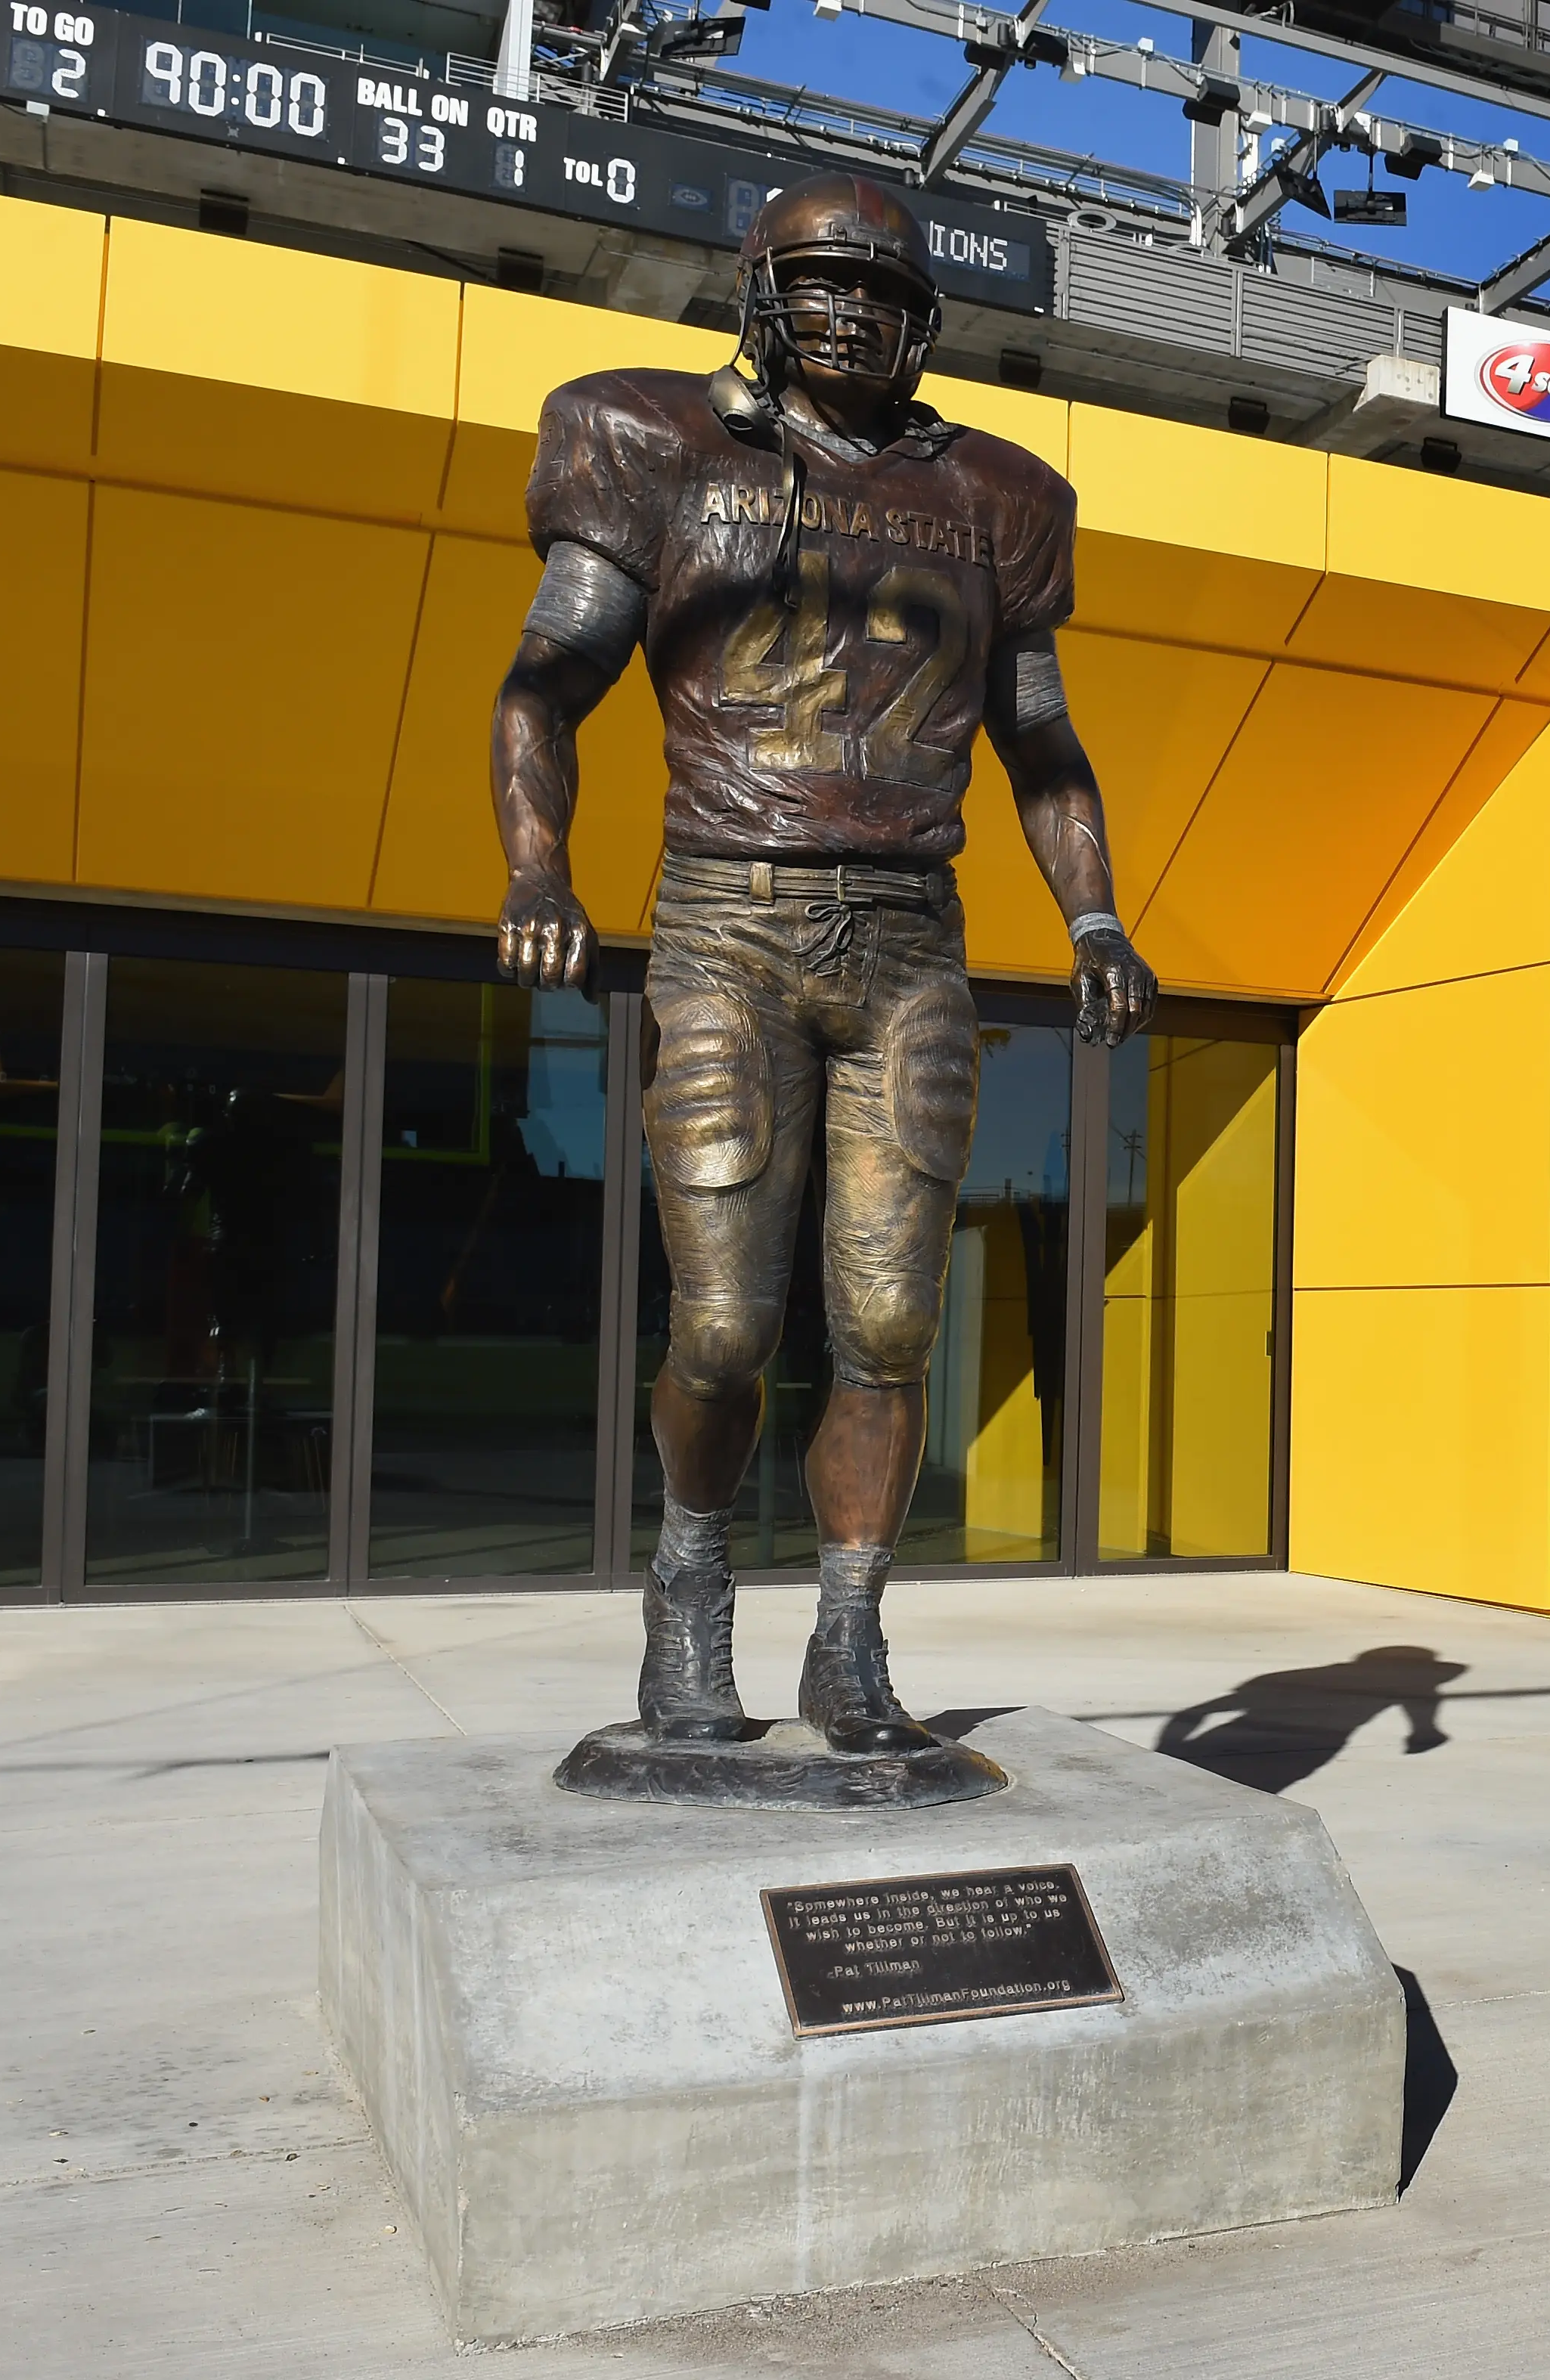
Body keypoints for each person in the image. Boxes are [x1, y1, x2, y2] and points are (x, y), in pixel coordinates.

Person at [487, 172, 1153, 1755]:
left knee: (893, 1323)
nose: (848, 310)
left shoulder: (995, 494)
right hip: (730, 912)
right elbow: (543, 684)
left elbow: (1042, 741)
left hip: (911, 932)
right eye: (819, 280)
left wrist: (1095, 915)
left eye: (879, 289)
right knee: (724, 1326)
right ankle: (689, 1585)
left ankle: (849, 1635)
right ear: (762, 293)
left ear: (924, 318)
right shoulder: (653, 439)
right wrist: (537, 868)